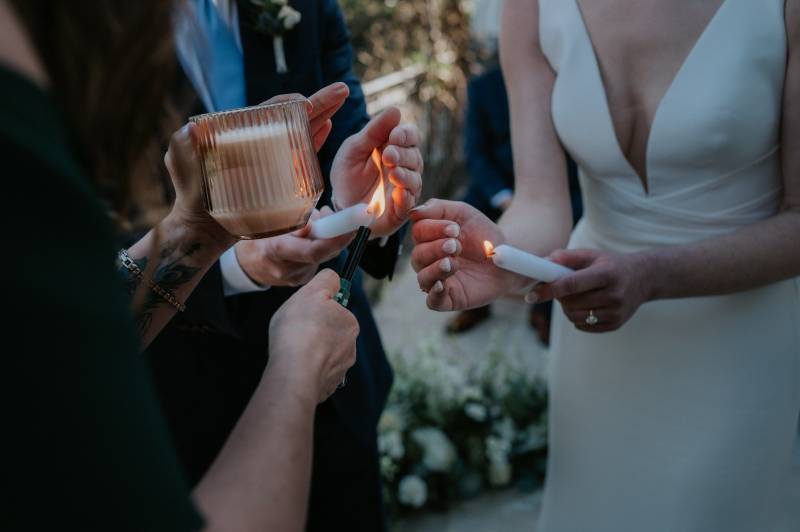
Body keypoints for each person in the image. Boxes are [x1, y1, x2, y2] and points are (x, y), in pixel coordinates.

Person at [1, 1, 412, 529]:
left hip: (337, 393)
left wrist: (361, 209)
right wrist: (294, 369)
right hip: (172, 396)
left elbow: (346, 130)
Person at [409, 0, 800, 531]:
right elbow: (543, 204)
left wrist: (652, 275)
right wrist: (503, 260)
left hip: (741, 340)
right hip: (598, 344)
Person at [149, 2, 423, 530]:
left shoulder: (307, 6)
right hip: (185, 391)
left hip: (335, 378)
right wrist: (235, 266)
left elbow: (348, 138)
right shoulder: (81, 27)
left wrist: (366, 209)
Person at [447, 62, 582, 342]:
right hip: (498, 183)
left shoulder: (562, 80)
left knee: (569, 218)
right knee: (460, 218)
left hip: (555, 181)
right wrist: (503, 195)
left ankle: (544, 310)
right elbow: (475, 152)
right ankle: (475, 303)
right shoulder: (483, 86)